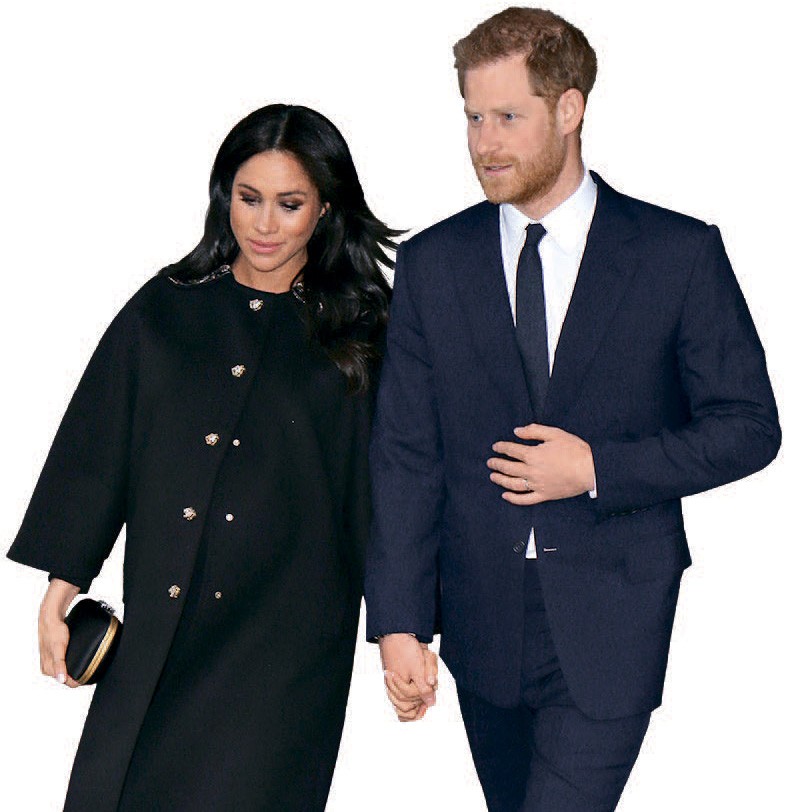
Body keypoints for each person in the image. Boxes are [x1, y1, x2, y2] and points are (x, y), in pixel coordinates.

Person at [364, 7, 781, 811]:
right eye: (472, 117)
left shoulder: (676, 253)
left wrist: (598, 468)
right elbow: (405, 452)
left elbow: (747, 427)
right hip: (480, 618)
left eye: (507, 117)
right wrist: (398, 621)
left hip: (611, 614)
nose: (484, 142)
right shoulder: (431, 262)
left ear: (568, 109)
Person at [7, 103, 398, 811]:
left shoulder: (362, 335)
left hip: (284, 653)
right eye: (249, 198)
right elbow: (99, 447)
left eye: (289, 204)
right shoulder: (166, 310)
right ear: (224, 197)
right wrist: (61, 586)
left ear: (325, 209)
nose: (264, 224)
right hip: (158, 631)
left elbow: (390, 492)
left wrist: (402, 626)